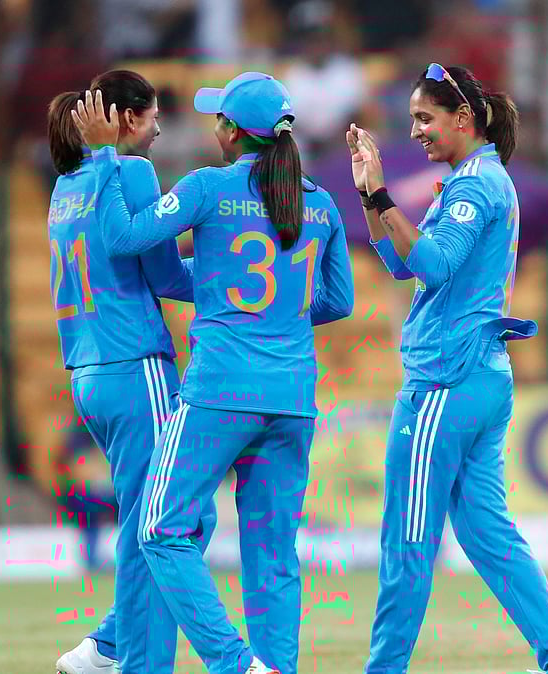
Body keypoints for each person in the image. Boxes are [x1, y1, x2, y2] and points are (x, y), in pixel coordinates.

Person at [73, 71, 355, 674]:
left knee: (161, 531)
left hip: (220, 394)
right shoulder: (321, 201)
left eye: (217, 119)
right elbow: (337, 301)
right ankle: (273, 667)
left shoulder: (207, 187)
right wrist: (273, 306)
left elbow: (123, 238)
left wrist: (102, 156)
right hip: (294, 400)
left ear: (230, 132)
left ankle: (234, 664)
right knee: (273, 557)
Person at [350, 63, 548, 674]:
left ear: (464, 118)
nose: (416, 133)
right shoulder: (475, 180)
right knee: (490, 538)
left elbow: (431, 265)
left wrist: (383, 194)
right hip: (481, 376)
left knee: (406, 542)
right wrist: (368, 197)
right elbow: (403, 264)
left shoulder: (474, 187)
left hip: (444, 382)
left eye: (425, 119)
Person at [45, 69, 218, 674]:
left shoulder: (65, 185)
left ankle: (111, 644)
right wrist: (238, 293)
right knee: (168, 519)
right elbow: (167, 276)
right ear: (122, 120)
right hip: (136, 363)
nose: (157, 127)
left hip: (88, 371)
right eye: (149, 116)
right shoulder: (131, 172)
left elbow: (128, 256)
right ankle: (125, 656)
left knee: (180, 513)